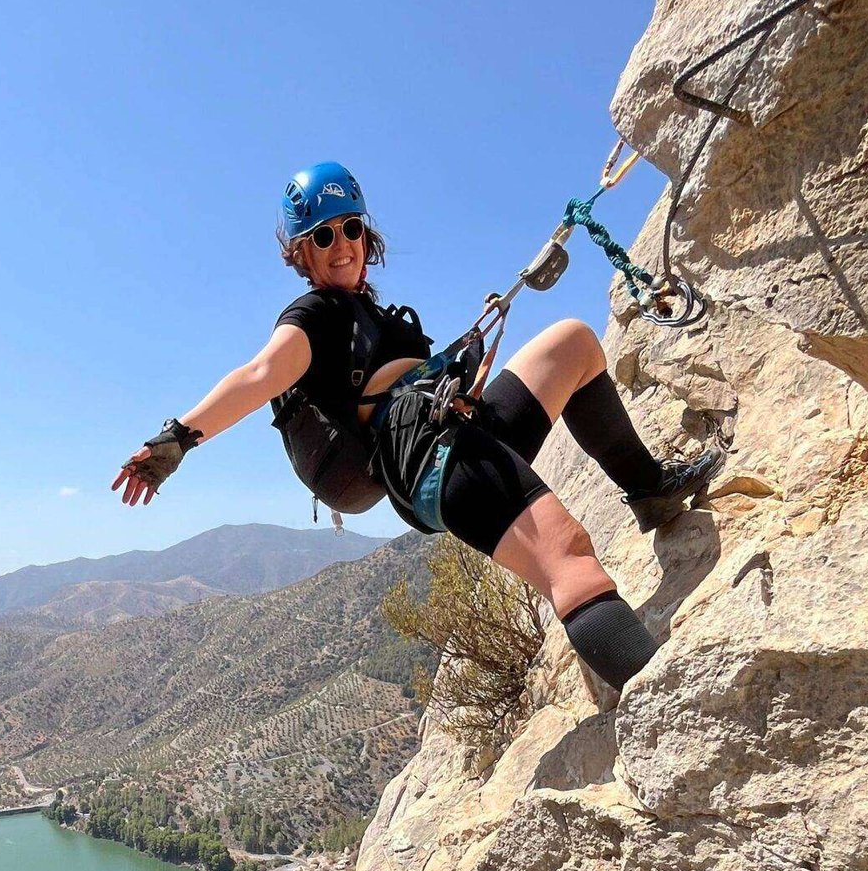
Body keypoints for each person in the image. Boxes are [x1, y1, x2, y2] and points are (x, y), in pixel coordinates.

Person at [112, 161, 717, 697]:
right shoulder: (315, 315)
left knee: (574, 344)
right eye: (322, 235)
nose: (341, 243)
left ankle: (650, 490)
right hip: (429, 458)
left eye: (351, 226)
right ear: (302, 253)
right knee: (568, 556)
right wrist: (176, 441)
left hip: (461, 430)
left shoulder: (374, 314)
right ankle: (664, 716)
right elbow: (261, 374)